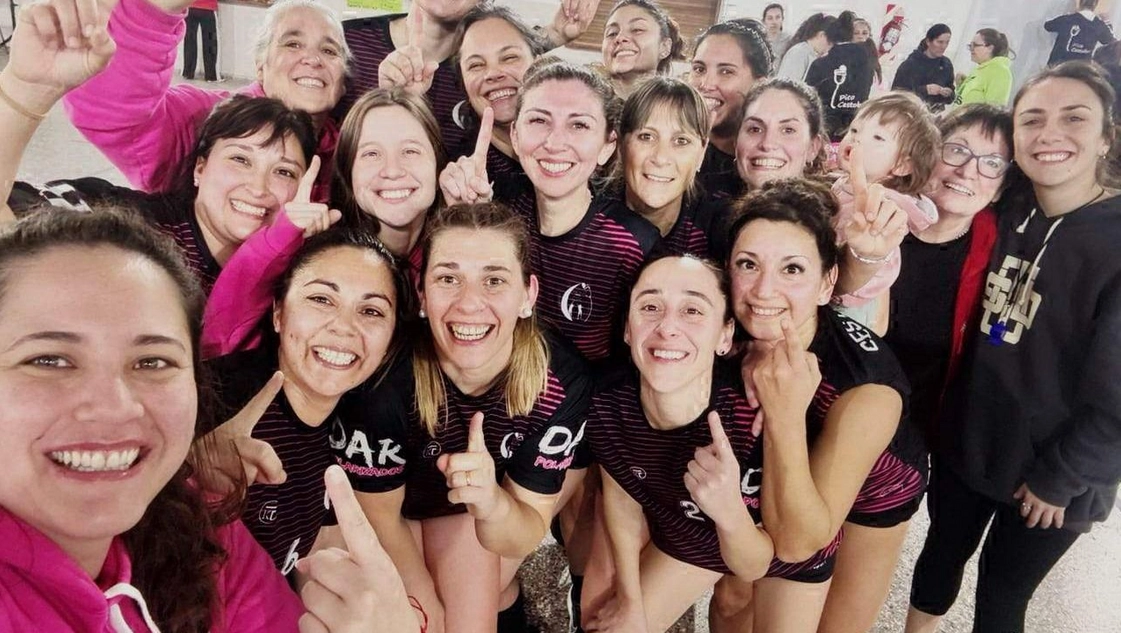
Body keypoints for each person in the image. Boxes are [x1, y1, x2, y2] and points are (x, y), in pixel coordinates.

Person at [0, 207, 419, 633]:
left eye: (151, 362)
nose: (113, 406)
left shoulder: (211, 530)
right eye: (48, 360)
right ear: (278, 312)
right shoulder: (222, 420)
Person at [907, 61, 1121, 633]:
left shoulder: (1113, 240)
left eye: (1074, 118)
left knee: (1002, 598)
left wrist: (1063, 476)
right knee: (938, 560)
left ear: (1106, 136)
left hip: (1058, 474)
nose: (1049, 134)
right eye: (1032, 119)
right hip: (970, 443)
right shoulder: (1005, 207)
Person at [331, 202, 594, 633]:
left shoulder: (560, 381)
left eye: (494, 280)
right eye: (448, 278)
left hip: (466, 510)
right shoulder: (384, 381)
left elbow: (524, 531)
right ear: (422, 294)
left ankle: (501, 594)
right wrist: (424, 602)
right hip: (387, 510)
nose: (469, 303)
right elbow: (381, 517)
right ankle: (502, 596)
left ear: (528, 295)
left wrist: (490, 503)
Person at [708, 179, 923, 633]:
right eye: (748, 264)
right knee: (731, 599)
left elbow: (796, 543)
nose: (764, 290)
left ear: (827, 284)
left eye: (792, 269)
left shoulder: (868, 391)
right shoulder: (729, 330)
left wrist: (783, 414)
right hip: (776, 463)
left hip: (873, 493)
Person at [0, 11, 316, 296]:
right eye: (240, 159)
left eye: (284, 171)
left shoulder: (293, 274)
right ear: (200, 168)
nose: (258, 187)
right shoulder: (132, 230)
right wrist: (24, 93)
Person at [580, 255, 773, 632]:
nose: (667, 327)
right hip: (665, 510)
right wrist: (631, 602)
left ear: (725, 335)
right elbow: (621, 499)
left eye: (692, 310)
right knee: (598, 614)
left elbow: (753, 564)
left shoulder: (752, 424)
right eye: (650, 307)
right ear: (627, 329)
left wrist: (729, 510)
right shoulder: (606, 401)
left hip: (722, 536)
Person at [203, 225, 411, 574]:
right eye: (321, 299)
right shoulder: (214, 400)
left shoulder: (356, 428)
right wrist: (189, 478)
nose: (344, 327)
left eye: (371, 311)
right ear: (278, 313)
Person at [444, 58, 660, 365]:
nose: (555, 142)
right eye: (539, 121)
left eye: (579, 125)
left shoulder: (634, 244)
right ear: (515, 135)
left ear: (607, 146)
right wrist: (464, 223)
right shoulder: (495, 211)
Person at [63, 0, 348, 201]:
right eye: (292, 44)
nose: (313, 59)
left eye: (329, 51)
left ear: (344, 80)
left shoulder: (353, 150)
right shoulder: (202, 118)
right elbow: (110, 111)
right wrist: (151, 11)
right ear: (260, 65)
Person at [885, 104, 1012, 447]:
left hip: (911, 441)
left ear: (1001, 189)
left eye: (992, 163)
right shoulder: (872, 212)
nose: (967, 171)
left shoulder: (999, 258)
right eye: (956, 150)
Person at [349, 0, 598, 153]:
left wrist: (553, 35)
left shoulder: (479, 81)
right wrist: (392, 101)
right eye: (477, 64)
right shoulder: (347, 42)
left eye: (508, 58)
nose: (492, 72)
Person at [829, 91, 941, 334]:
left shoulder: (884, 209)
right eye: (855, 130)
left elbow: (880, 271)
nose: (857, 139)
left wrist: (835, 291)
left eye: (878, 137)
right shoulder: (841, 183)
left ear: (902, 165)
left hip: (848, 306)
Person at [608, 76, 724, 259]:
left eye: (681, 141)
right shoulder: (587, 213)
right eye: (646, 137)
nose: (661, 158)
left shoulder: (717, 227)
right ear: (621, 144)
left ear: (702, 153)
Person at [690, 19, 774, 186]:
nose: (706, 84)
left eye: (726, 72)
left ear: (759, 84)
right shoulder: (669, 149)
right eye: (699, 69)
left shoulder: (771, 159)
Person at [731, 77, 828, 198]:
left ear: (813, 147)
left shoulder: (837, 209)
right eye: (755, 129)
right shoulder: (713, 208)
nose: (767, 144)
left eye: (788, 130)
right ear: (735, 140)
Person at [805, 11, 874, 141]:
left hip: (824, 129)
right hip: (854, 128)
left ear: (830, 38)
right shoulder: (868, 64)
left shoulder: (820, 64)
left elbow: (807, 96)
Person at [601, 0, 686, 98]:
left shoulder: (680, 104)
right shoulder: (586, 98)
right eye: (612, 33)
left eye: (637, 30)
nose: (619, 38)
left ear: (664, 47)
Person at [891, 24, 955, 111]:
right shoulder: (910, 65)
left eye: (947, 42)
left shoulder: (946, 64)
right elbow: (896, 95)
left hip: (934, 114)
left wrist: (948, 93)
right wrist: (925, 90)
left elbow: (951, 94)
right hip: (909, 113)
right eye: (940, 42)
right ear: (928, 42)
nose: (944, 46)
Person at [1044, 0, 1115, 66]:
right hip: (1081, 69)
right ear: (1095, 5)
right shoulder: (1099, 25)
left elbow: (1047, 26)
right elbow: (1110, 41)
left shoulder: (1067, 19)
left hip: (1058, 66)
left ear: (1080, 3)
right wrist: (1107, 22)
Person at [956, 28, 1014, 106]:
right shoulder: (980, 69)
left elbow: (994, 109)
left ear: (990, 48)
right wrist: (961, 85)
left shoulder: (1000, 72)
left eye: (975, 45)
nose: (971, 49)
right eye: (970, 46)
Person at [776, 13, 836, 82]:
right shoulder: (798, 53)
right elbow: (787, 86)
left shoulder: (813, 54)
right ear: (821, 35)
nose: (831, 47)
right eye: (830, 43)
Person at [183, 0, 219, 82]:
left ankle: (188, 72)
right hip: (208, 7)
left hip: (190, 6)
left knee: (189, 41)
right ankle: (210, 75)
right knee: (210, 42)